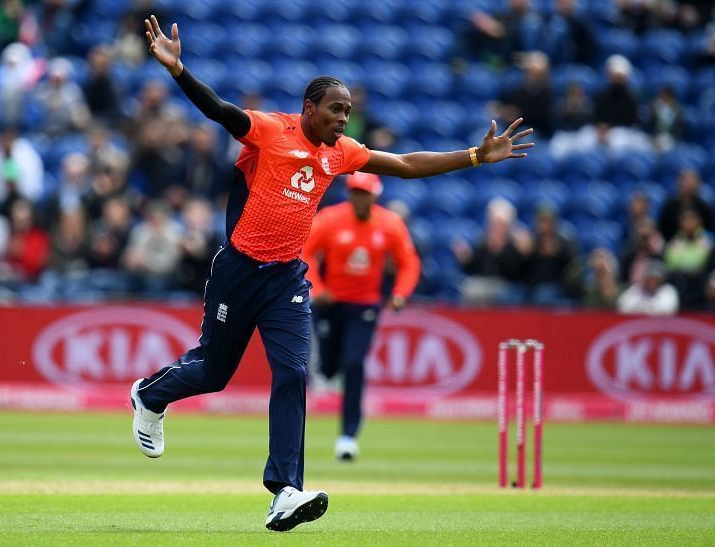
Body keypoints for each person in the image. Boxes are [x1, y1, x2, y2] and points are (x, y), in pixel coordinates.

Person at [130, 15, 533, 533]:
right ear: (309, 109)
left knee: (295, 373)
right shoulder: (273, 131)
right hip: (238, 270)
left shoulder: (341, 153)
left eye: (347, 111)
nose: (344, 119)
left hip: (287, 282)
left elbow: (407, 164)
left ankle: (284, 492)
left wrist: (475, 155)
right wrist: (178, 70)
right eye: (335, 110)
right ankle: (150, 395)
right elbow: (221, 111)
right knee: (213, 372)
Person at [301, 172, 421, 462]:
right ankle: (330, 375)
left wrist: (400, 293)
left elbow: (409, 263)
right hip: (330, 304)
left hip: (364, 306)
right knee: (328, 368)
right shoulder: (330, 219)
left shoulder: (389, 223)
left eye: (365, 193)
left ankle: (348, 436)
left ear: (375, 195)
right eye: (355, 192)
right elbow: (304, 253)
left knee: (354, 363)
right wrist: (318, 288)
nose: (360, 198)